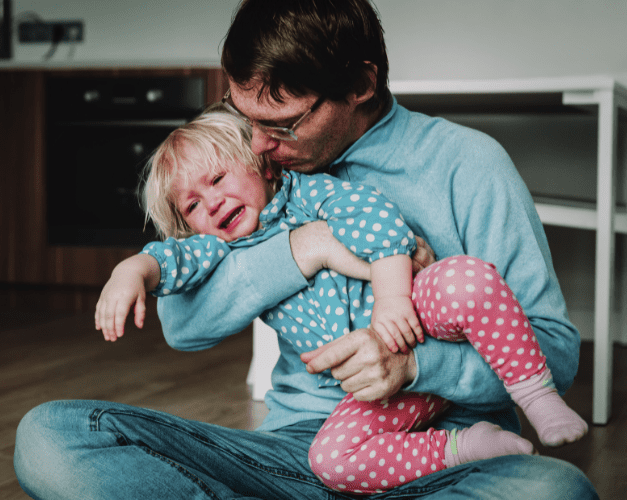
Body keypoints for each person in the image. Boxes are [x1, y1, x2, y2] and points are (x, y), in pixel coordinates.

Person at [14, 1, 598, 498]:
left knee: (554, 491)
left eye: (285, 124)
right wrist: (306, 247)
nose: (261, 145)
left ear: (361, 85)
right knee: (53, 436)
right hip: (295, 455)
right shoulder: (244, 168)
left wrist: (416, 366)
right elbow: (184, 324)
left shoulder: (466, 163)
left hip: (442, 458)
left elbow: (556, 354)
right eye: (247, 120)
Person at [96, 106, 585, 494]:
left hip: (417, 321)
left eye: (218, 181)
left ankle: (536, 400)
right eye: (192, 206)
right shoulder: (219, 242)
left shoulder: (307, 192)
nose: (212, 203)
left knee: (468, 281)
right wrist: (130, 270)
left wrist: (396, 317)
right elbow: (175, 285)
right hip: (339, 421)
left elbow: (381, 225)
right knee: (330, 461)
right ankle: (466, 448)